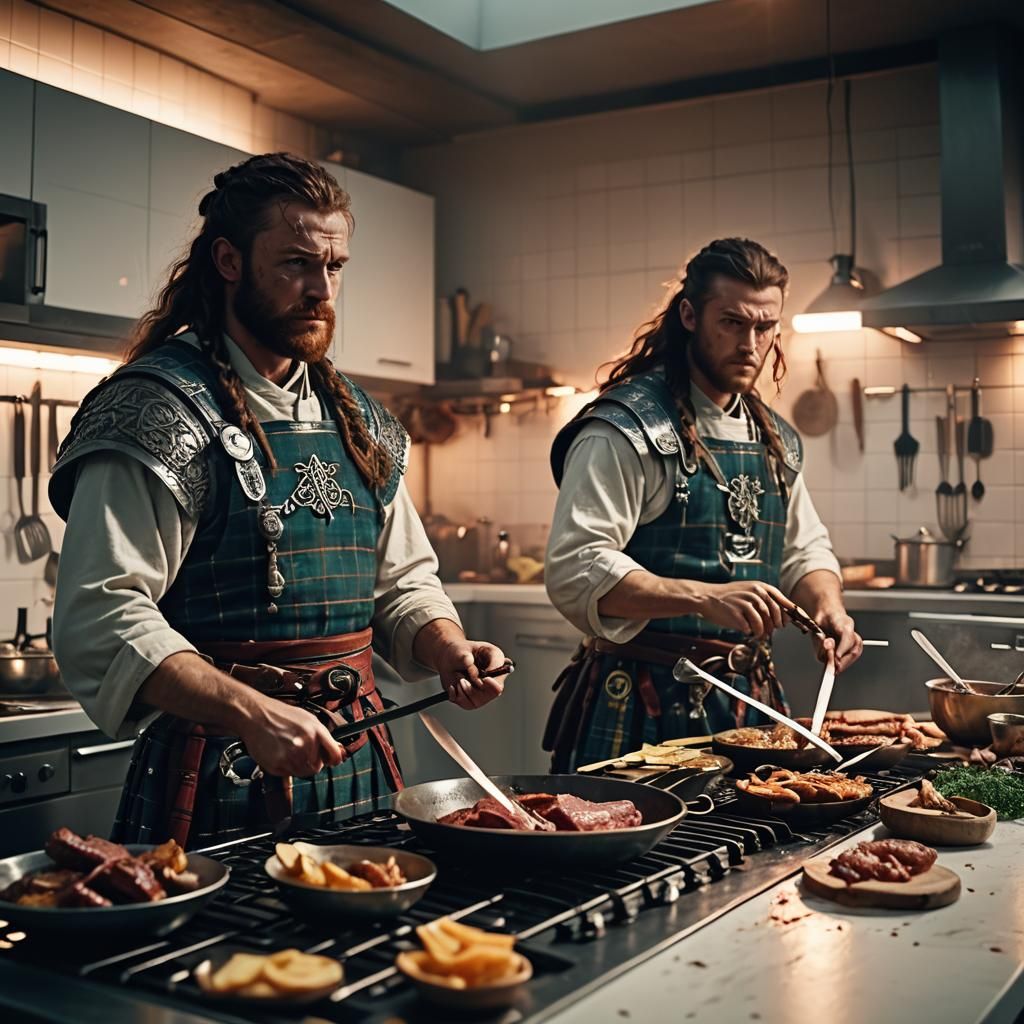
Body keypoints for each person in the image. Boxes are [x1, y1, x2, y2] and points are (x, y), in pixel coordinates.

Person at [49, 153, 511, 848]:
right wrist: (248, 710)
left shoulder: (360, 419)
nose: (322, 289)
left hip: (362, 763)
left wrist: (447, 646)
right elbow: (102, 615)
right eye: (296, 263)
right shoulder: (158, 411)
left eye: (335, 267)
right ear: (229, 261)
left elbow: (401, 583)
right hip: (214, 770)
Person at [542, 238, 862, 771]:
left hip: (748, 701)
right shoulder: (624, 429)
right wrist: (702, 598)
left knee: (760, 851)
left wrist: (827, 605)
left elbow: (803, 549)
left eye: (765, 328)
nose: (751, 344)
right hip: (642, 705)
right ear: (689, 315)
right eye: (733, 323)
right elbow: (576, 567)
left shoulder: (775, 438)